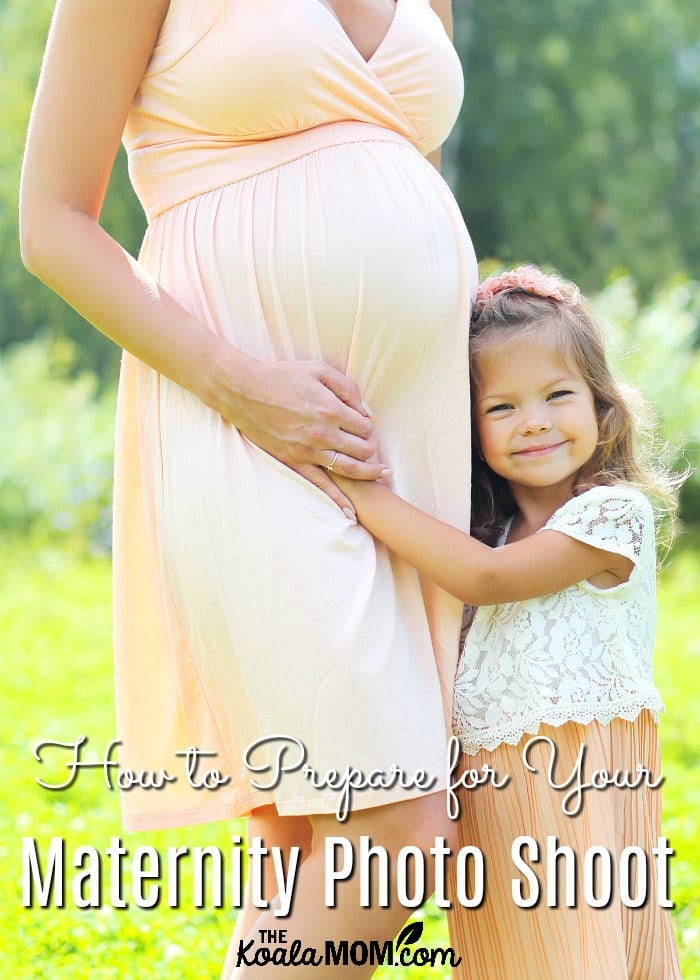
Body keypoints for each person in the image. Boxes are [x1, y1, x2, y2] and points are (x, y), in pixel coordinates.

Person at [20, 0, 477, 973]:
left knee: (311, 842)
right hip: (242, 416)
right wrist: (240, 384)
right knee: (391, 831)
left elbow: (404, 175)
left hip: (407, 446)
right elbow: (51, 226)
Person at [333, 265, 683, 978]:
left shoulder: (613, 516)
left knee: (580, 953)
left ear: (602, 407)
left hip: (579, 786)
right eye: (502, 408)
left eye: (558, 395)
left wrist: (358, 491)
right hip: (493, 791)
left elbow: (486, 584)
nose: (535, 422)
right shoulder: (484, 534)